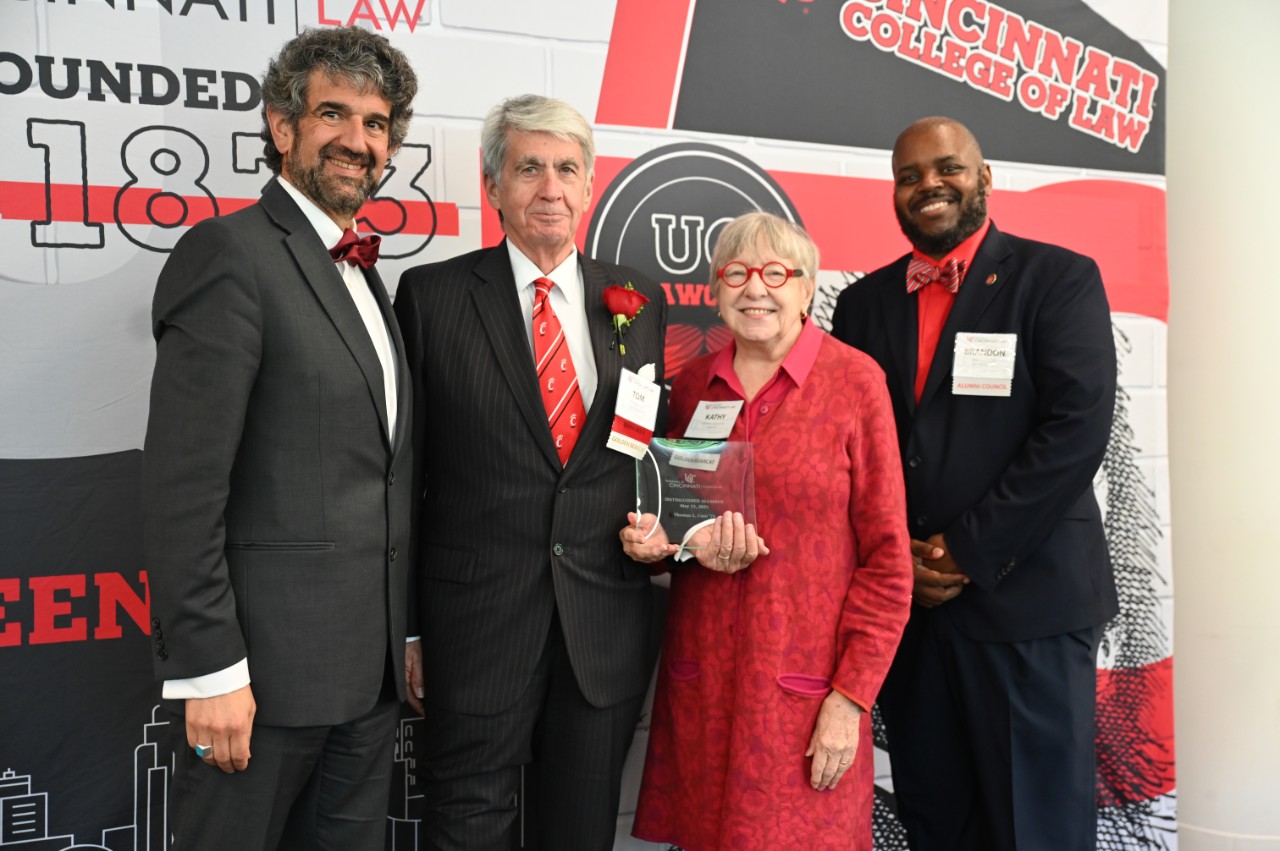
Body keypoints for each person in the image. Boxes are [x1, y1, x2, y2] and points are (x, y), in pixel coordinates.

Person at [142, 27, 419, 850]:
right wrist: (212, 672)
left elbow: (382, 477)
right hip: (258, 687)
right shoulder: (228, 255)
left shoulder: (370, 274)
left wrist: (401, 638)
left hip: (367, 688)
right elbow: (183, 487)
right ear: (281, 125)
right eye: (332, 113)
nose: (357, 140)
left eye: (376, 124)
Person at [831, 116, 1118, 851]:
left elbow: (1075, 429)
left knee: (1038, 827)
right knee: (938, 820)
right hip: (915, 618)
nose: (928, 184)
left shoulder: (1057, 278)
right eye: (909, 175)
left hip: (1027, 603)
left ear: (985, 177)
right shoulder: (862, 306)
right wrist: (901, 562)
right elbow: (855, 449)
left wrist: (963, 550)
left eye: (947, 167)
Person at [393, 94, 668, 850]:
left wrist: (665, 522)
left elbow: (643, 450)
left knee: (580, 834)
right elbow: (404, 477)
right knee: (466, 830)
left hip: (602, 627)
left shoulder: (637, 300)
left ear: (588, 186)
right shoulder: (433, 296)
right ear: (494, 187)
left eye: (567, 169)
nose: (550, 186)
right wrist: (408, 625)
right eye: (529, 168)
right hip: (474, 628)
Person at [622, 212, 913, 850]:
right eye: (738, 272)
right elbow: (679, 527)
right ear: (716, 288)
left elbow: (890, 562)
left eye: (776, 273)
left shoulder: (856, 383)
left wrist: (850, 700)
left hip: (807, 698)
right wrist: (657, 548)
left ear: (807, 289)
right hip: (705, 690)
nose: (757, 289)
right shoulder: (692, 387)